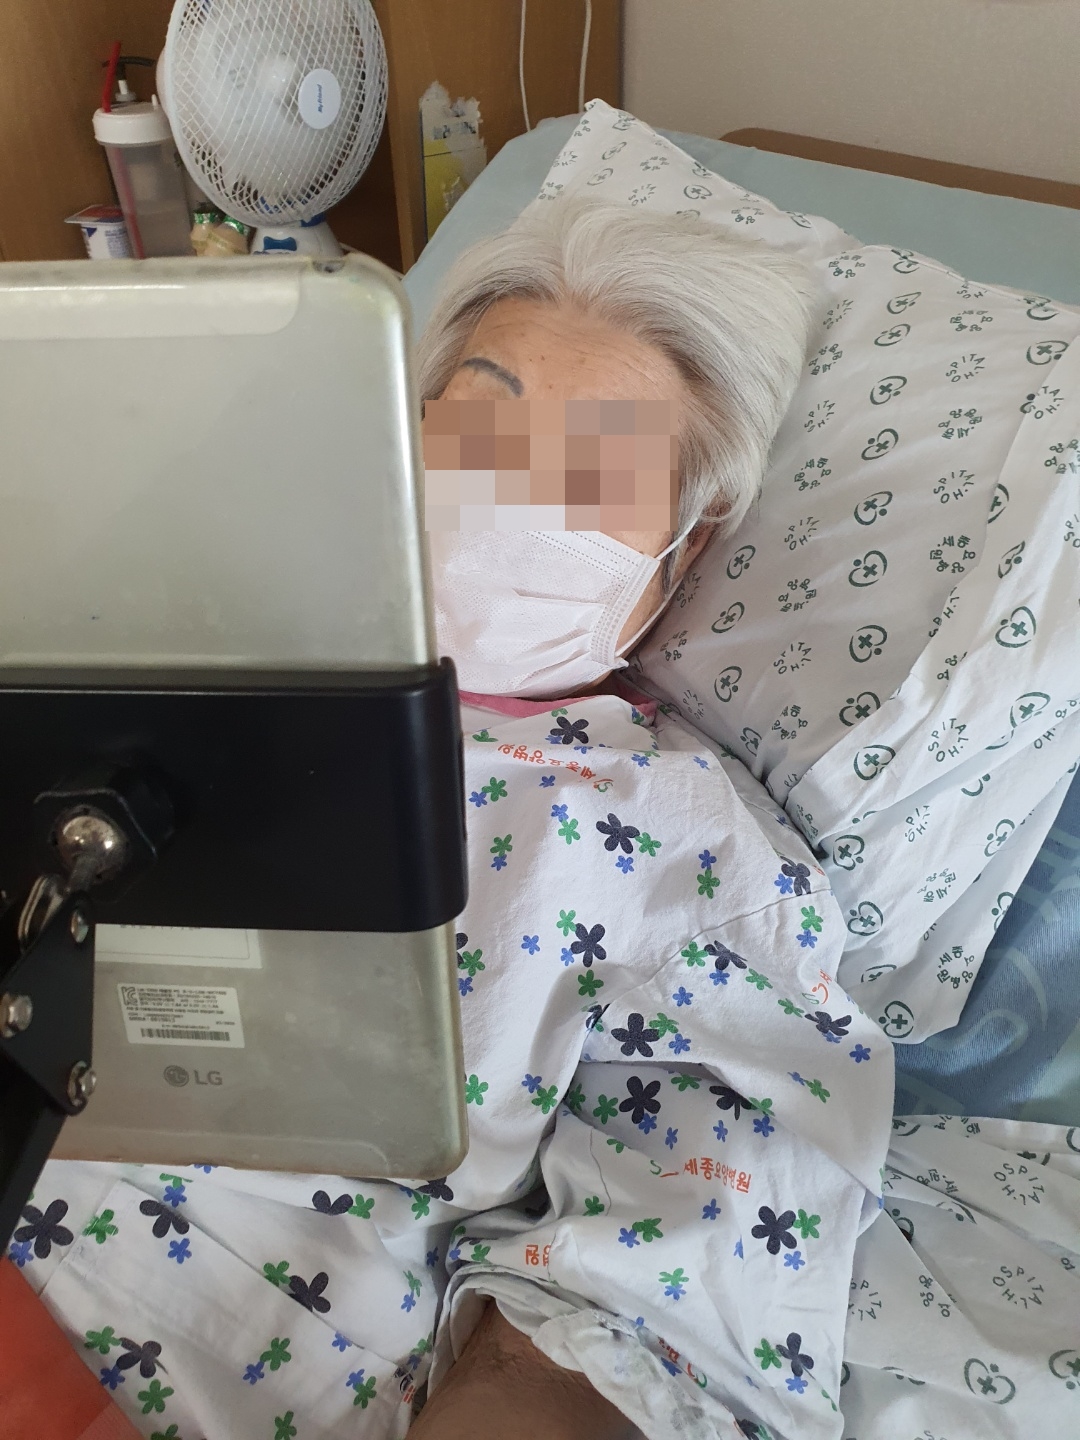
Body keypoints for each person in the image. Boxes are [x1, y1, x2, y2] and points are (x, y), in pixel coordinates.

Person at [10, 201, 1078, 1440]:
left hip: (130, 1331)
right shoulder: (154, 641)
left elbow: (666, 1275)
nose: (505, 487)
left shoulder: (672, 842)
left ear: (676, 564)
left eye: (589, 473)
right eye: (477, 420)